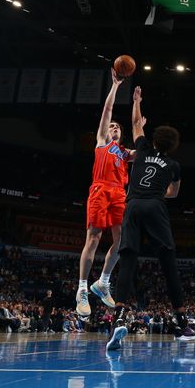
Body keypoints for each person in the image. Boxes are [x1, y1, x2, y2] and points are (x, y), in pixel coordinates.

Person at [106, 86, 195, 351]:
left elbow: (136, 124)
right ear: (172, 146)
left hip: (132, 205)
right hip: (155, 207)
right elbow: (173, 194)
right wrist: (159, 189)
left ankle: (119, 318)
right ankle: (182, 324)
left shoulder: (144, 148)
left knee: (127, 261)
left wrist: (137, 101)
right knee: (168, 263)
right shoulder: (173, 166)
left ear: (155, 140)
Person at [77, 69, 136, 318]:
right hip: (100, 189)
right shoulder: (102, 141)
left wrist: (138, 111)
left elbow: (144, 149)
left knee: (121, 241)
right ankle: (81, 289)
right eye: (111, 127)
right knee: (93, 238)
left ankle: (102, 282)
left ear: (121, 134)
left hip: (119, 194)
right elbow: (107, 112)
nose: (113, 128)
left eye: (116, 128)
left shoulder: (125, 153)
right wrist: (115, 86)